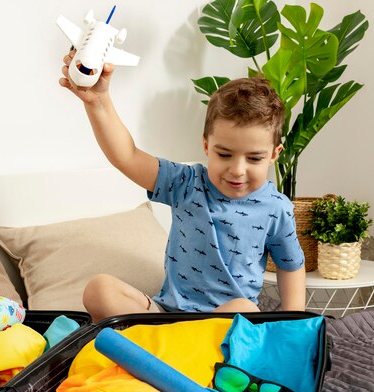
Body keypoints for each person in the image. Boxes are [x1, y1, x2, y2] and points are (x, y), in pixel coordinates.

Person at [59, 50, 306, 322]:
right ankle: (168, 341)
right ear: (206, 145)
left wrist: (295, 325)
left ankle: (163, 347)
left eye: (254, 158)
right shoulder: (186, 183)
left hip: (224, 321)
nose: (237, 170)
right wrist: (98, 101)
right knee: (99, 289)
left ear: (274, 154)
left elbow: (290, 266)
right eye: (224, 154)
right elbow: (127, 156)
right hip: (164, 316)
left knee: (246, 308)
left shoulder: (277, 208)